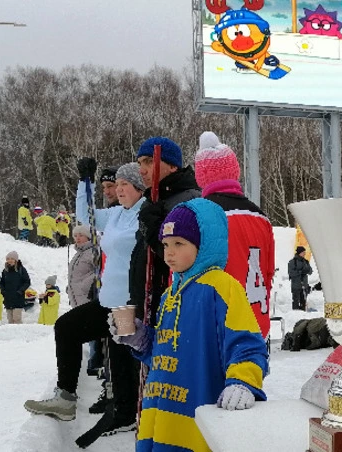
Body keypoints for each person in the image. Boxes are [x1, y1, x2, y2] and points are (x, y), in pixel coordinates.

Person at [110, 198, 268, 452]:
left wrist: (243, 382)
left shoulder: (222, 287)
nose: (168, 252)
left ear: (203, 243)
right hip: (160, 417)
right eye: (165, 244)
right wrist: (141, 338)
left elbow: (247, 344)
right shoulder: (171, 293)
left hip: (195, 419)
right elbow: (167, 352)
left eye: (179, 244)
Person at [24, 162, 146, 435]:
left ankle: (127, 413)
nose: (120, 189)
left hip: (128, 303)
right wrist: (85, 181)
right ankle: (66, 398)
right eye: (119, 184)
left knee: (122, 360)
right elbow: (84, 215)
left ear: (139, 187)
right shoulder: (116, 214)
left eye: (126, 184)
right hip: (108, 301)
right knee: (67, 328)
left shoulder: (146, 213)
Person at [195, 131, 275, 341]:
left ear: (201, 176)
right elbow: (268, 273)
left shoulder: (201, 215)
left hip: (220, 325)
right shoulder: (260, 216)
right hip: (257, 322)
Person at [130, 136, 201, 325]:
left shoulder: (187, 202)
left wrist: (155, 234)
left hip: (173, 309)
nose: (142, 170)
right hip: (148, 305)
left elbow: (186, 262)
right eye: (140, 163)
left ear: (172, 166)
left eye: (149, 161)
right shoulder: (151, 202)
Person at [66, 225, 97, 308]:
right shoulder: (78, 254)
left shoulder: (93, 252)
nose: (77, 238)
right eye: (75, 236)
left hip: (88, 297)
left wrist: (85, 285)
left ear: (88, 236)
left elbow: (101, 271)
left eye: (81, 235)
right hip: (75, 297)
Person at [0, 251, 31, 324]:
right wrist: (3, 291)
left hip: (18, 298)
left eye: (12, 259)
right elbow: (2, 283)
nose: (10, 260)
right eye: (8, 259)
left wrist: (20, 291)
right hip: (8, 298)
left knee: (17, 319)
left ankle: (19, 333)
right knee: (10, 320)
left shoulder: (21, 270)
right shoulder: (5, 271)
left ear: (16, 260)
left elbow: (27, 282)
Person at [288, 246, 313, 310]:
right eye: (303, 252)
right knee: (296, 301)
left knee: (303, 301)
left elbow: (310, 271)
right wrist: (300, 272)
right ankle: (295, 314)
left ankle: (303, 313)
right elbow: (291, 273)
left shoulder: (306, 262)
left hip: (304, 285)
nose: (304, 254)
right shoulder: (292, 262)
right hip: (296, 285)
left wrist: (306, 271)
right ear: (299, 253)